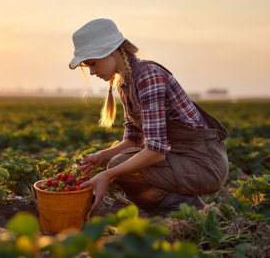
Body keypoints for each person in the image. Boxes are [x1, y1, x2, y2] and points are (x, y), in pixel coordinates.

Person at [72, 18, 229, 217]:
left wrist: (108, 175)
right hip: (184, 160)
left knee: (119, 166)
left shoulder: (147, 76)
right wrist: (101, 157)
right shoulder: (125, 83)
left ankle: (186, 213)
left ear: (110, 51)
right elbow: (133, 140)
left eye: (92, 63)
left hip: (205, 164)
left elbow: (156, 152)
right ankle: (180, 208)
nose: (92, 72)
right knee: (118, 163)